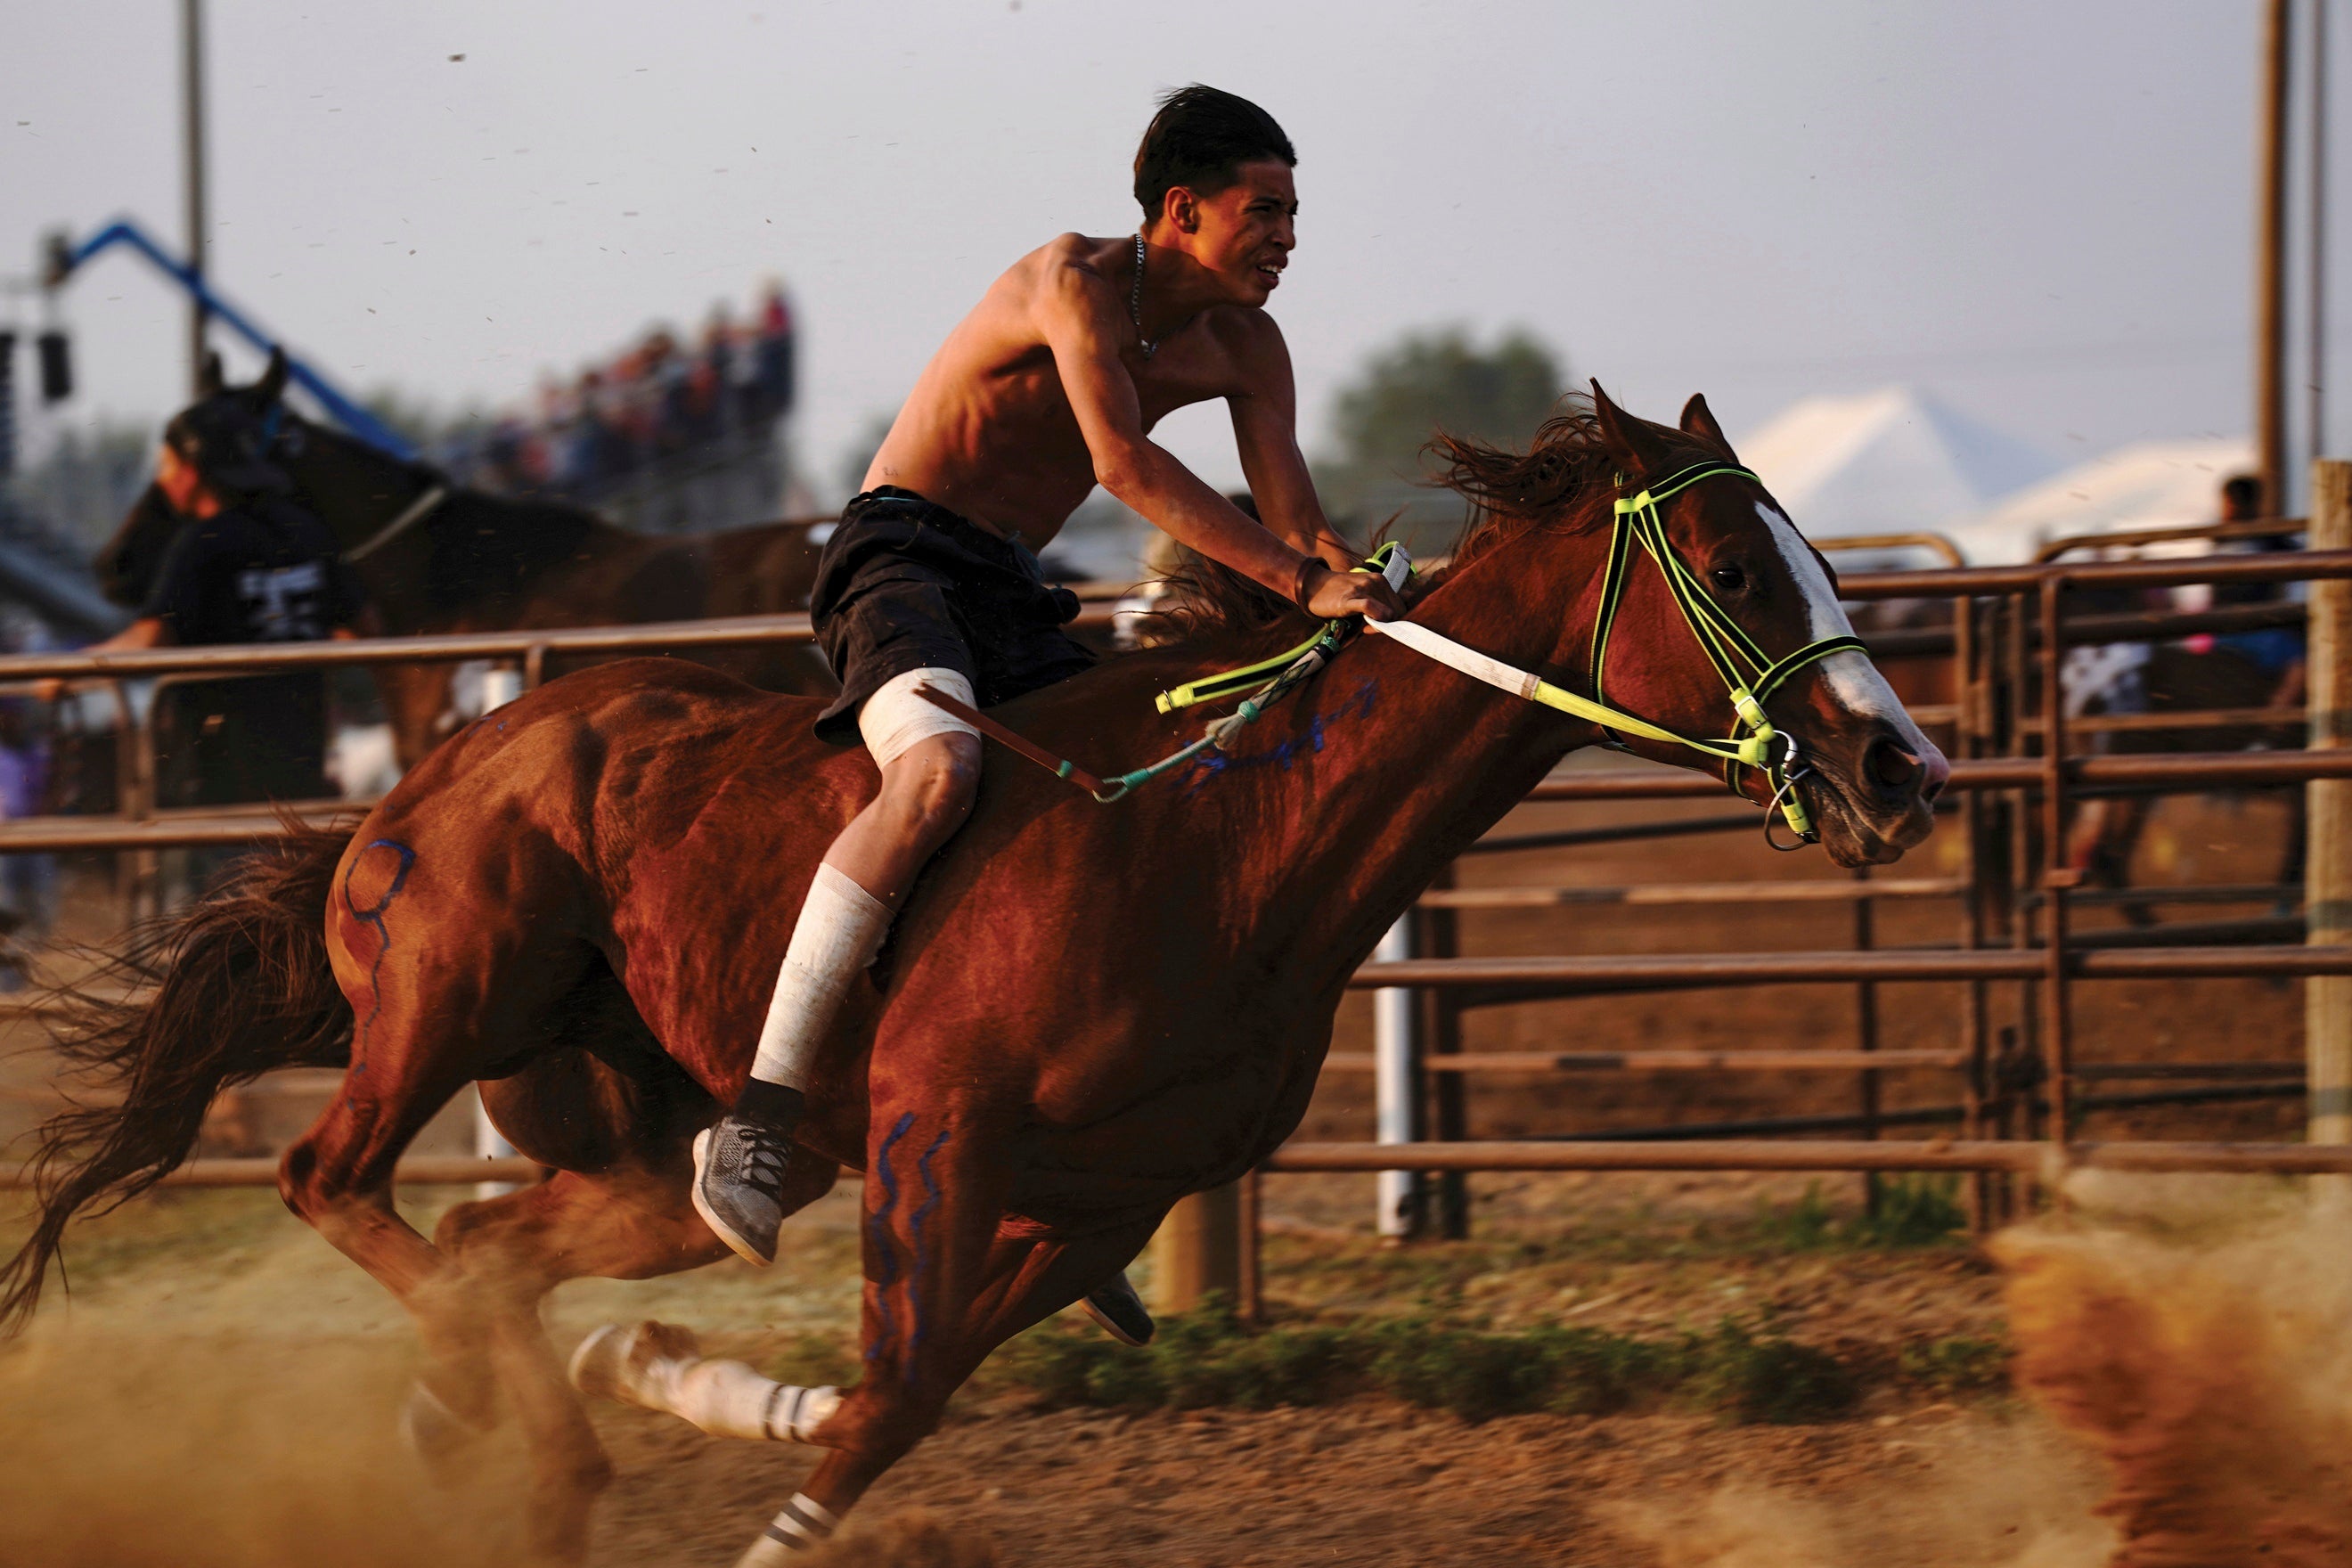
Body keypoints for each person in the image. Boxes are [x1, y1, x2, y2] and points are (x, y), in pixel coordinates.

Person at [692, 86, 1402, 1335]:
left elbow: (1298, 523)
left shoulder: (1250, 346)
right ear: (1181, 210)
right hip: (897, 556)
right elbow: (1125, 465)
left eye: (1294, 213)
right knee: (936, 777)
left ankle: (1052, 1184)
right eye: (1264, 211)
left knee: (1123, 820)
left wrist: (1367, 583)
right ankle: (759, 1117)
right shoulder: (1069, 283)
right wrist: (1302, 585)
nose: (1288, 237)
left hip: (1011, 588)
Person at [45, 413, 361, 814]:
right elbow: (362, 630)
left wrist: (70, 670)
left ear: (190, 473)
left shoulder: (203, 541)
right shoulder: (308, 531)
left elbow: (150, 640)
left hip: (221, 776)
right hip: (304, 768)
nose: (162, 480)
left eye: (166, 467)